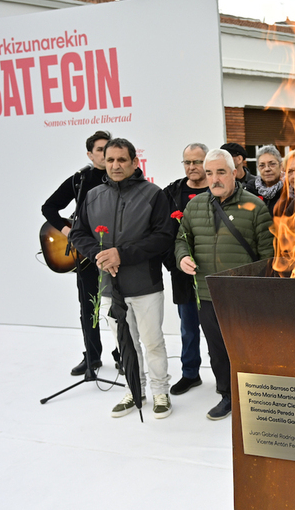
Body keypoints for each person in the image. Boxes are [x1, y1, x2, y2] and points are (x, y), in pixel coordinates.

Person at [69, 138, 174, 419]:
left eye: (122, 160)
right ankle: (134, 390)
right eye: (110, 160)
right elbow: (78, 233)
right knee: (124, 343)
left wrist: (121, 255)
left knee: (152, 342)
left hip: (145, 285)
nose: (115, 165)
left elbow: (163, 237)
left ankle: (160, 392)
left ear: (134, 162)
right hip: (109, 287)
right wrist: (99, 254)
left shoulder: (153, 194)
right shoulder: (93, 196)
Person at [175, 148, 274, 421]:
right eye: (209, 173)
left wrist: (260, 292)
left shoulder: (255, 206)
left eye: (221, 172)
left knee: (249, 348)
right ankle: (227, 395)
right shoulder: (194, 206)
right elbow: (182, 238)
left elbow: (268, 256)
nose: (215, 178)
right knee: (217, 350)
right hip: (208, 293)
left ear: (234, 172)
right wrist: (183, 257)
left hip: (244, 295)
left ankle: (256, 396)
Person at [41, 130, 116, 377]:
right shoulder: (80, 180)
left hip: (114, 252)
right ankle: (92, 356)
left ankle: (122, 354)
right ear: (90, 155)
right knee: (88, 306)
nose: (105, 154)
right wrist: (69, 231)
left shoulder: (121, 177)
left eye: (109, 149)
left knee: (118, 306)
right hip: (84, 254)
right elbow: (49, 207)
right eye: (100, 150)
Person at [163, 143, 210, 396]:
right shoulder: (171, 193)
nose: (192, 167)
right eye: (187, 162)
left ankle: (226, 375)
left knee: (219, 329)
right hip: (182, 274)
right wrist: (174, 265)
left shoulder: (219, 189)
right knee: (188, 328)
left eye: (197, 162)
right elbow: (162, 233)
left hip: (214, 275)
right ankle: (190, 374)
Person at [245, 145, 285, 214]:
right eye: (262, 165)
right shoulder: (250, 191)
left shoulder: (289, 190)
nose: (267, 169)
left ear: (281, 166)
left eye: (272, 164)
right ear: (258, 168)